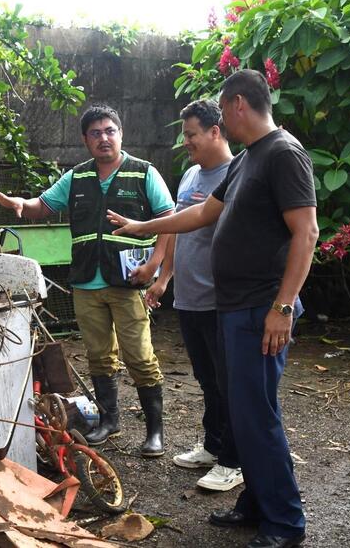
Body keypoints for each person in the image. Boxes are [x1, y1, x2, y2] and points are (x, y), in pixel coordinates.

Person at [107, 70, 318, 548]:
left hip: (261, 308)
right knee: (241, 414)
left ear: (238, 104)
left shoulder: (284, 154)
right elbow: (204, 213)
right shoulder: (248, 160)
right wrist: (144, 227)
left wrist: (282, 307)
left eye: (222, 110)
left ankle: (285, 523)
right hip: (234, 307)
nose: (220, 119)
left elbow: (306, 233)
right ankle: (256, 504)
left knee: (257, 415)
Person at [0, 104, 174, 457]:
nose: (103, 138)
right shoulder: (77, 177)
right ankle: (109, 420)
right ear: (85, 140)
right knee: (99, 356)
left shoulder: (143, 173)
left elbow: (169, 219)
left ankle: (155, 432)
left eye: (110, 131)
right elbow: (41, 206)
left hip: (129, 281)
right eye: (95, 133)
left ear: (120, 134)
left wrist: (155, 266)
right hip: (88, 282)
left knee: (139, 356)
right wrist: (19, 204)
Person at [145, 100, 243, 492]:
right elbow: (178, 233)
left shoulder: (236, 173)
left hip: (222, 300)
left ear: (215, 131)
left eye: (192, 135)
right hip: (189, 297)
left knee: (229, 383)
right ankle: (213, 444)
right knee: (206, 379)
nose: (186, 142)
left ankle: (234, 461)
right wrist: (165, 277)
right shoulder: (189, 176)